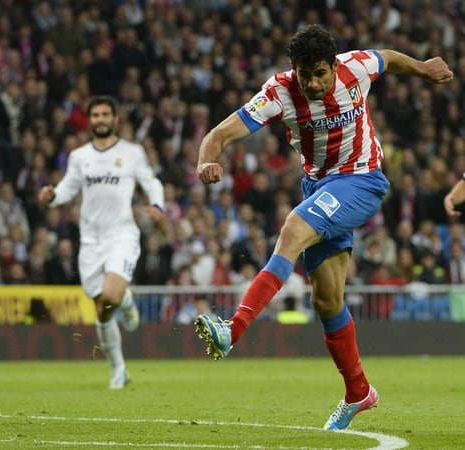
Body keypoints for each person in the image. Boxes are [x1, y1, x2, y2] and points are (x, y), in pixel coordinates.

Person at [192, 24, 453, 430]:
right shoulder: (279, 92)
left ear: (334, 66)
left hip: (363, 180)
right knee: (326, 301)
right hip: (320, 187)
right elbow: (220, 133)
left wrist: (422, 68)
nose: (311, 83)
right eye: (303, 74)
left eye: (319, 73)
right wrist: (205, 160)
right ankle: (359, 391)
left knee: (293, 228)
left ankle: (234, 328)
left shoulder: (356, 67)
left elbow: (389, 56)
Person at [37, 95, 165, 389]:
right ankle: (118, 369)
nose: (101, 119)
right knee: (102, 309)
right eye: (95, 115)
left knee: (110, 296)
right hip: (91, 242)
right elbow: (69, 188)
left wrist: (157, 205)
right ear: (90, 120)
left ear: (116, 119)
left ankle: (125, 299)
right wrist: (53, 196)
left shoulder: (132, 153)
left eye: (106, 114)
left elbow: (151, 182)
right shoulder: (80, 156)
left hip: (122, 234)